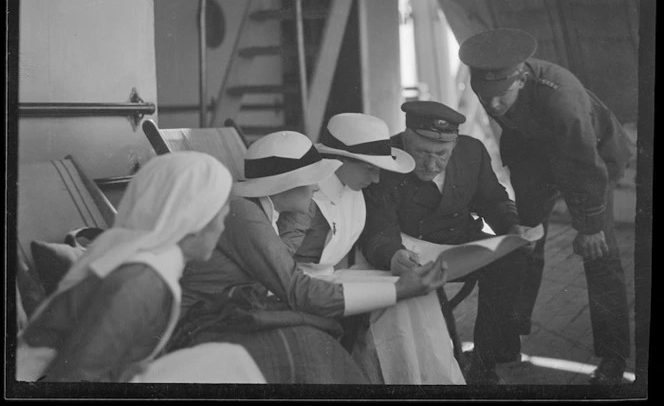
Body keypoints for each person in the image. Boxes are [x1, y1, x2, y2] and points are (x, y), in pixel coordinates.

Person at [171, 130, 450, 384]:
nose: (317, 188)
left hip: (227, 312)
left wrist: (297, 214)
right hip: (198, 324)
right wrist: (398, 289)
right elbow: (296, 288)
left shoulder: (264, 212)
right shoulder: (243, 214)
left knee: (320, 336)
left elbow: (286, 272)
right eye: (310, 182)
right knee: (314, 346)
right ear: (284, 185)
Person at [459, 27, 634, 384]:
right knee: (523, 242)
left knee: (599, 254)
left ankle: (613, 358)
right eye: (485, 96)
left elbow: (585, 166)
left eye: (500, 97)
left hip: (591, 157)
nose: (492, 106)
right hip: (535, 158)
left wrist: (589, 226)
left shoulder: (561, 98)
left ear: (521, 79)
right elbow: (514, 123)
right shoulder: (492, 86)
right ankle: (508, 342)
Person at [16, 151, 265, 383]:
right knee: (232, 363)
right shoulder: (141, 282)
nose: (222, 228)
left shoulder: (145, 263)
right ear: (193, 221)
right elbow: (74, 378)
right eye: (220, 218)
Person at [278, 113, 465, 384]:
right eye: (370, 168)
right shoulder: (306, 200)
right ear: (338, 160)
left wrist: (395, 257)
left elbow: (368, 231)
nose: (377, 179)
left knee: (416, 292)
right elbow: (278, 266)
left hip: (336, 276)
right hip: (303, 288)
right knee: (399, 296)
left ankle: (427, 379)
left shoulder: (354, 186)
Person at [359, 100, 532, 385]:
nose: (431, 164)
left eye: (441, 154)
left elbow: (494, 199)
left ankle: (485, 362)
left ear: (454, 146)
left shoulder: (472, 151)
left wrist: (512, 226)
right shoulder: (385, 158)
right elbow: (380, 227)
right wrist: (391, 254)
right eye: (421, 153)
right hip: (411, 247)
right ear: (405, 140)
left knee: (512, 258)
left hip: (459, 238)